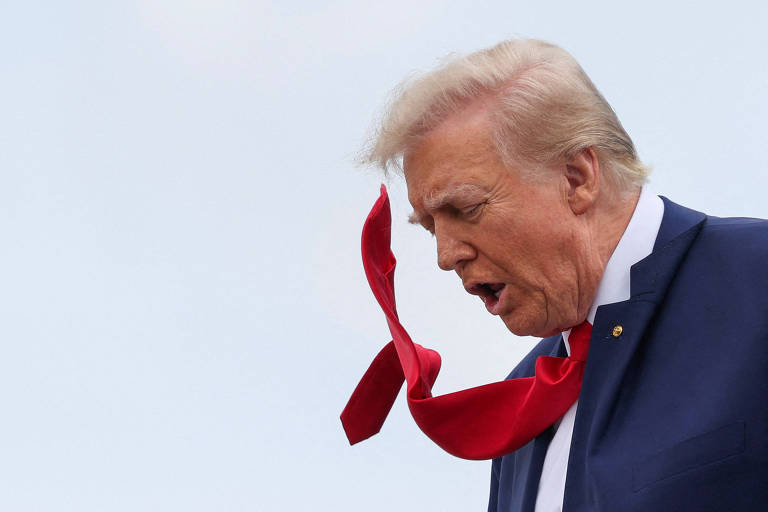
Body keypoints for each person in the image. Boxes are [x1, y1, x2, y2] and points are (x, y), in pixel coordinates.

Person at [359, 39, 768, 511]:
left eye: (466, 208)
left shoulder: (757, 279)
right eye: (431, 226)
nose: (445, 256)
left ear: (577, 178)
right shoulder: (528, 398)